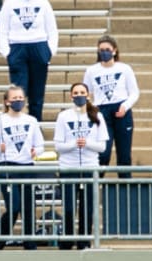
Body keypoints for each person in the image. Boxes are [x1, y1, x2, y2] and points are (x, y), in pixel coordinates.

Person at [0, 85, 44, 250]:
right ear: (6, 101)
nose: (18, 101)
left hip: (27, 166)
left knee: (28, 207)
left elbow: (40, 145)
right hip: (7, 166)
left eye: (21, 98)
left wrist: (35, 151)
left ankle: (29, 242)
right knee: (14, 206)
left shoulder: (31, 120)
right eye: (14, 98)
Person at [53, 83, 108, 250]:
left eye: (82, 92)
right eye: (75, 93)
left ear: (88, 95)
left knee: (87, 208)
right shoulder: (63, 116)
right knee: (69, 208)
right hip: (68, 168)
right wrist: (73, 144)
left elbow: (102, 147)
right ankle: (67, 240)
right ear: (71, 96)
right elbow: (58, 146)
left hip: (90, 168)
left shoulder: (97, 115)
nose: (79, 95)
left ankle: (84, 241)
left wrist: (88, 143)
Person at [83, 35, 140, 179]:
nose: (104, 52)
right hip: (102, 112)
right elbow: (86, 93)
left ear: (114, 51)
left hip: (121, 111)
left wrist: (125, 106)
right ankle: (94, 188)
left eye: (107, 49)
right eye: (101, 50)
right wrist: (93, 110)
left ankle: (126, 192)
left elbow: (134, 92)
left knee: (124, 156)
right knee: (103, 154)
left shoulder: (124, 68)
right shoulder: (91, 71)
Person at [0, 0, 58, 122]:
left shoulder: (43, 3)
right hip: (17, 47)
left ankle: (36, 124)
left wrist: (49, 52)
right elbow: (2, 29)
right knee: (19, 91)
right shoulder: (9, 4)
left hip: (39, 46)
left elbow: (52, 29)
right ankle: (18, 123)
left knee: (37, 94)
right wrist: (7, 53)